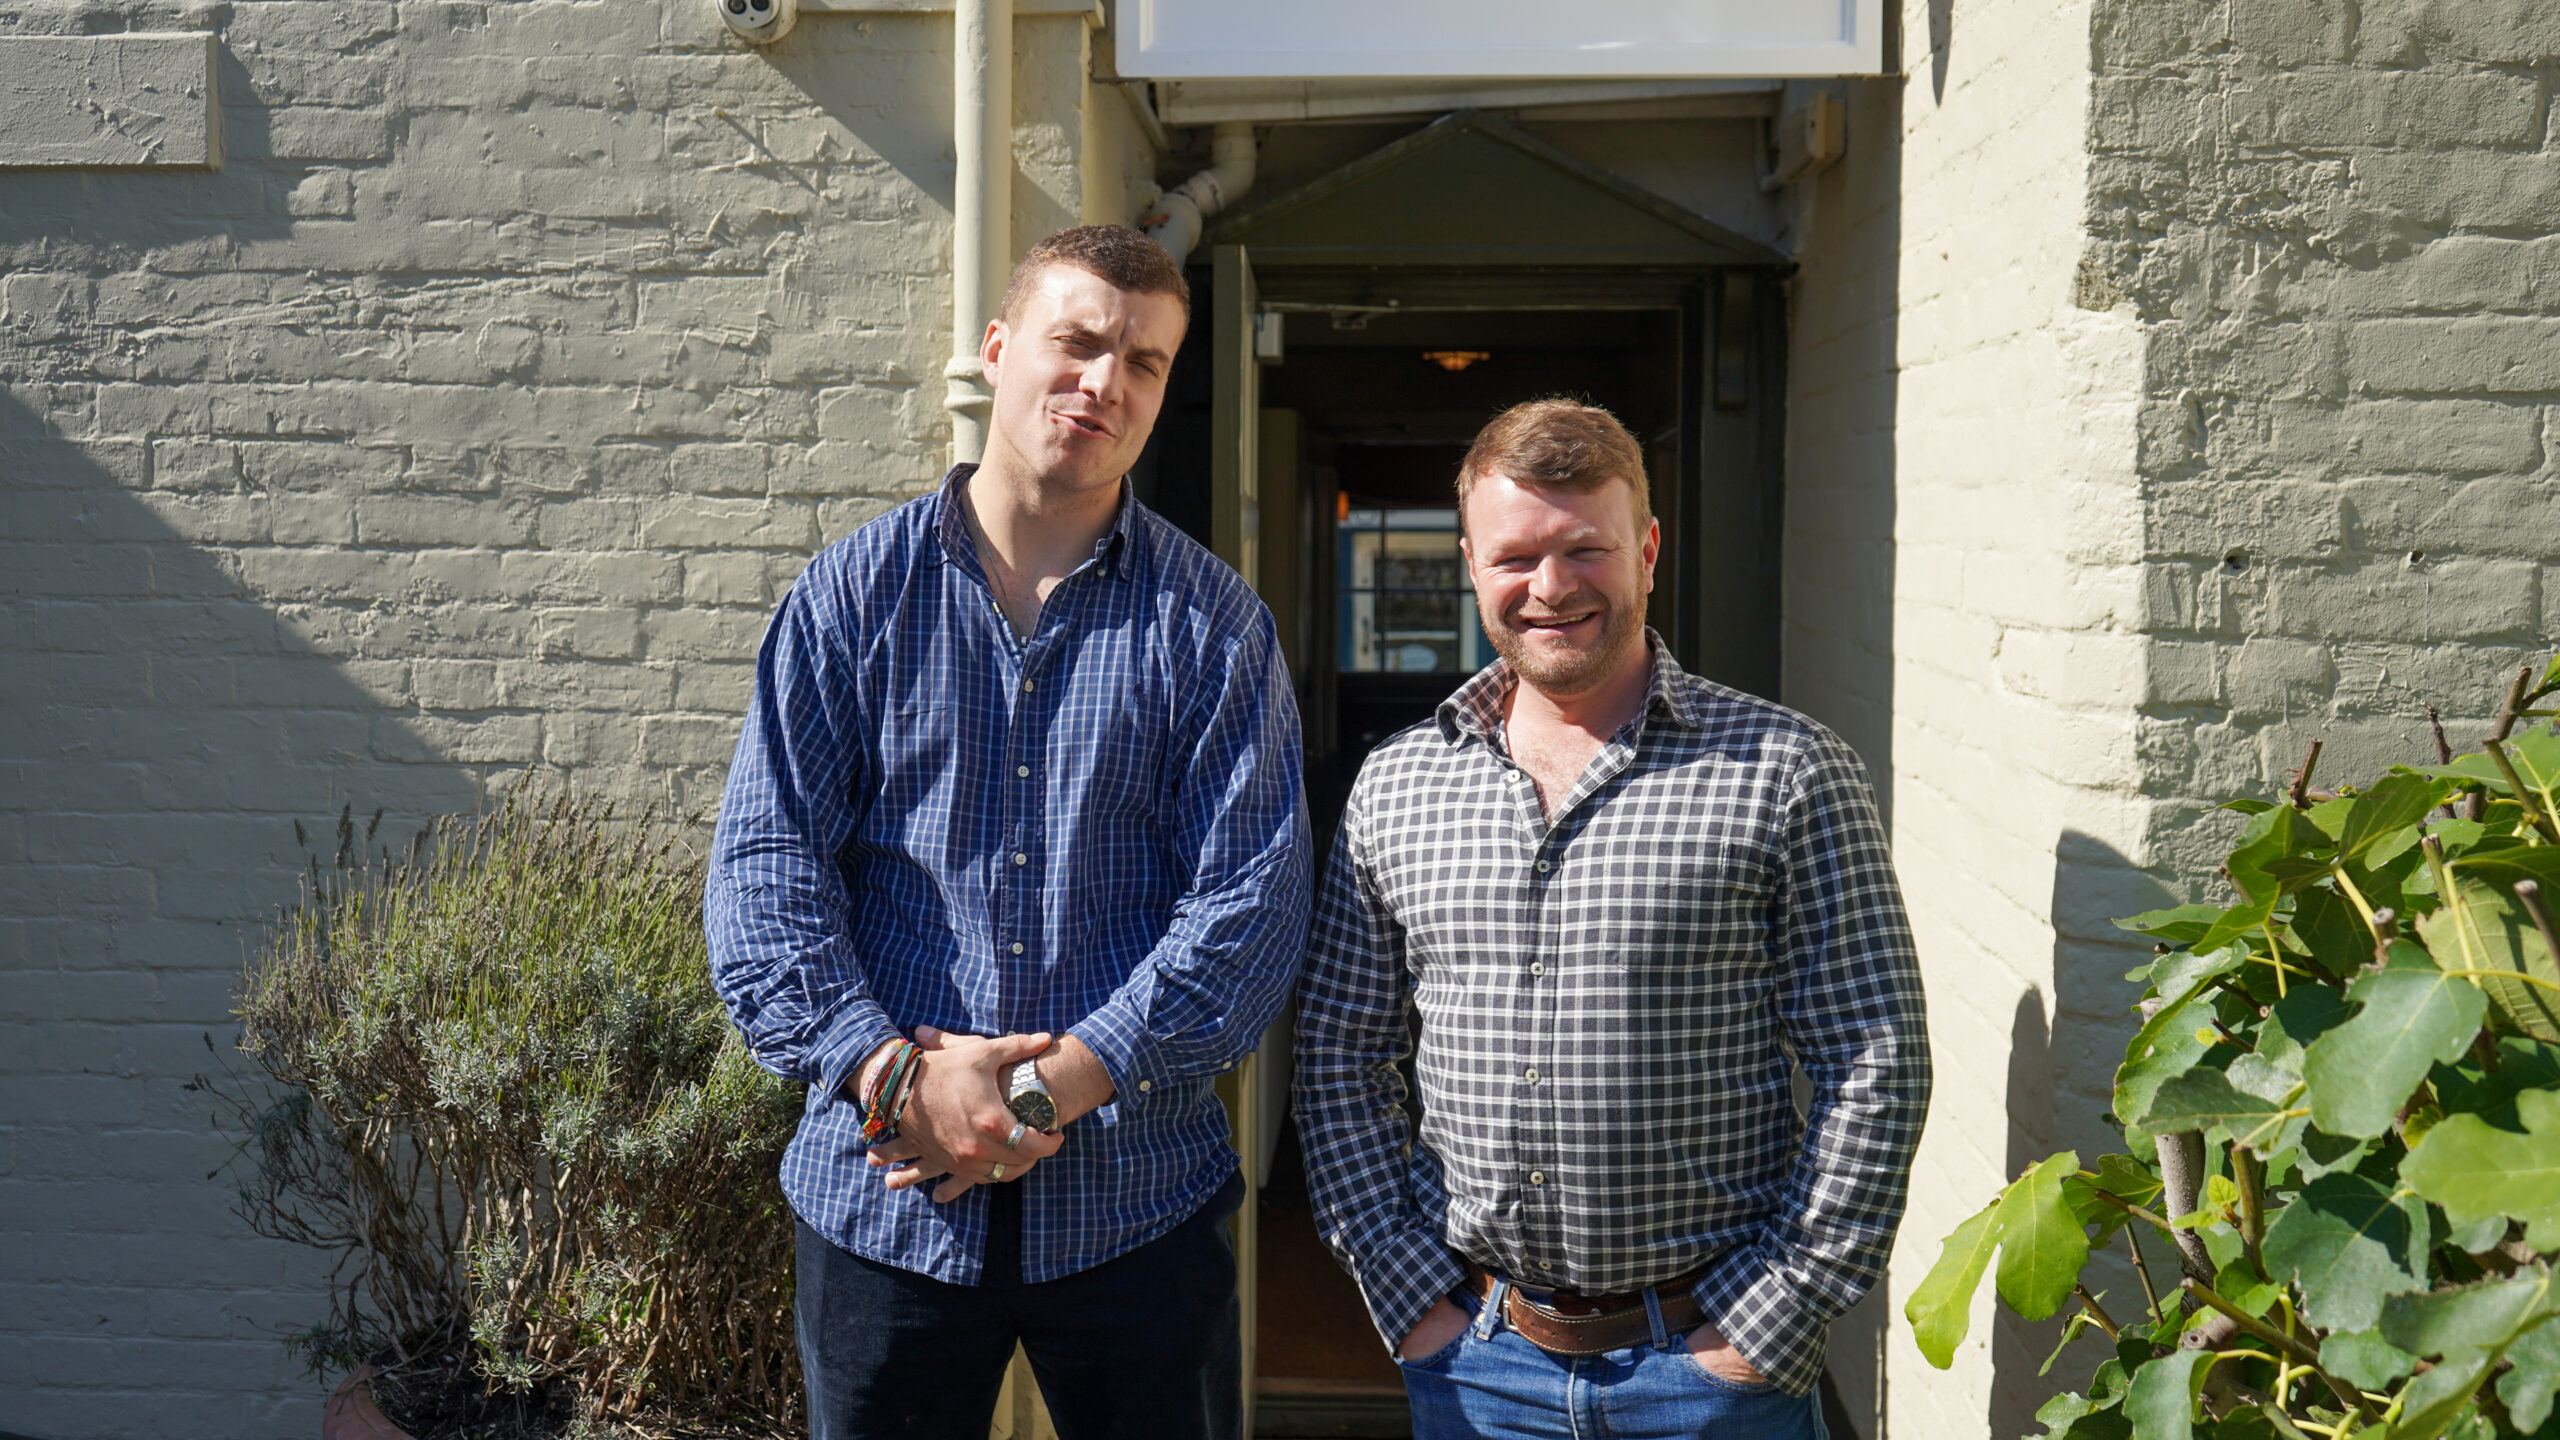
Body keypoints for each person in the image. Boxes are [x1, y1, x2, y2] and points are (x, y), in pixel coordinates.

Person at [706, 224, 1312, 1440]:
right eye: (1078, 342)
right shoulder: (852, 596)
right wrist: (892, 1077)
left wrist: (1042, 1091)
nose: (1105, 382)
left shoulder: (1210, 627)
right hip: (885, 1204)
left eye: (1143, 363)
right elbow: (765, 876)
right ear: (996, 349)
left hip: (1136, 1209)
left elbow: (1250, 912)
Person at [1293, 398, 1930, 1440]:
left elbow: (1874, 1055)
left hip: (1715, 1374)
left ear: (1646, 552)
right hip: (1478, 1372)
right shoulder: (1396, 786)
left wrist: (1777, 1316)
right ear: (1469, 562)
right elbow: (1338, 1053)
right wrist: (1411, 1300)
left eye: (1583, 549)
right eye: (1515, 557)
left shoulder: (1783, 771)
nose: (1549, 588)